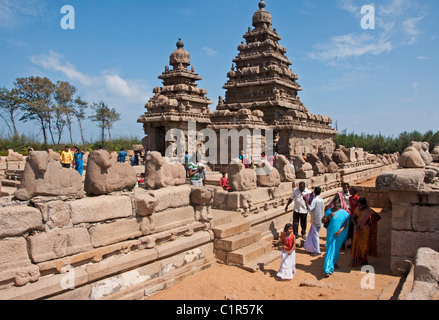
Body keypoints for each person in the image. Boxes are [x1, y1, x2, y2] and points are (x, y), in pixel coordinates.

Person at [322, 195, 350, 277]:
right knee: (330, 250)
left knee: (336, 251)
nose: (336, 205)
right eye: (335, 203)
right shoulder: (329, 211)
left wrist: (340, 231)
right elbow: (323, 220)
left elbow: (345, 224)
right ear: (333, 204)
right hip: (331, 234)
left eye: (338, 203)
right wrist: (329, 217)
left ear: (340, 204)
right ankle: (327, 269)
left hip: (339, 235)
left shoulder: (344, 213)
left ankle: (332, 264)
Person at [350, 198, 381, 267]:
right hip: (357, 229)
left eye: (361, 205)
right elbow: (353, 218)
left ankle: (364, 260)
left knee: (364, 245)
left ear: (364, 204)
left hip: (365, 230)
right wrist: (356, 225)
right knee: (356, 244)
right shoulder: (357, 209)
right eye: (358, 205)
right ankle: (357, 259)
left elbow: (378, 217)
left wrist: (371, 221)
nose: (360, 206)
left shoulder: (369, 211)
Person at [303, 186, 324, 256]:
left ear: (314, 192)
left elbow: (310, 209)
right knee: (313, 234)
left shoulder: (315, 200)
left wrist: (306, 201)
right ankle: (311, 248)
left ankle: (317, 250)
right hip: (320, 219)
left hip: (315, 220)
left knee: (315, 235)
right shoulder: (321, 199)